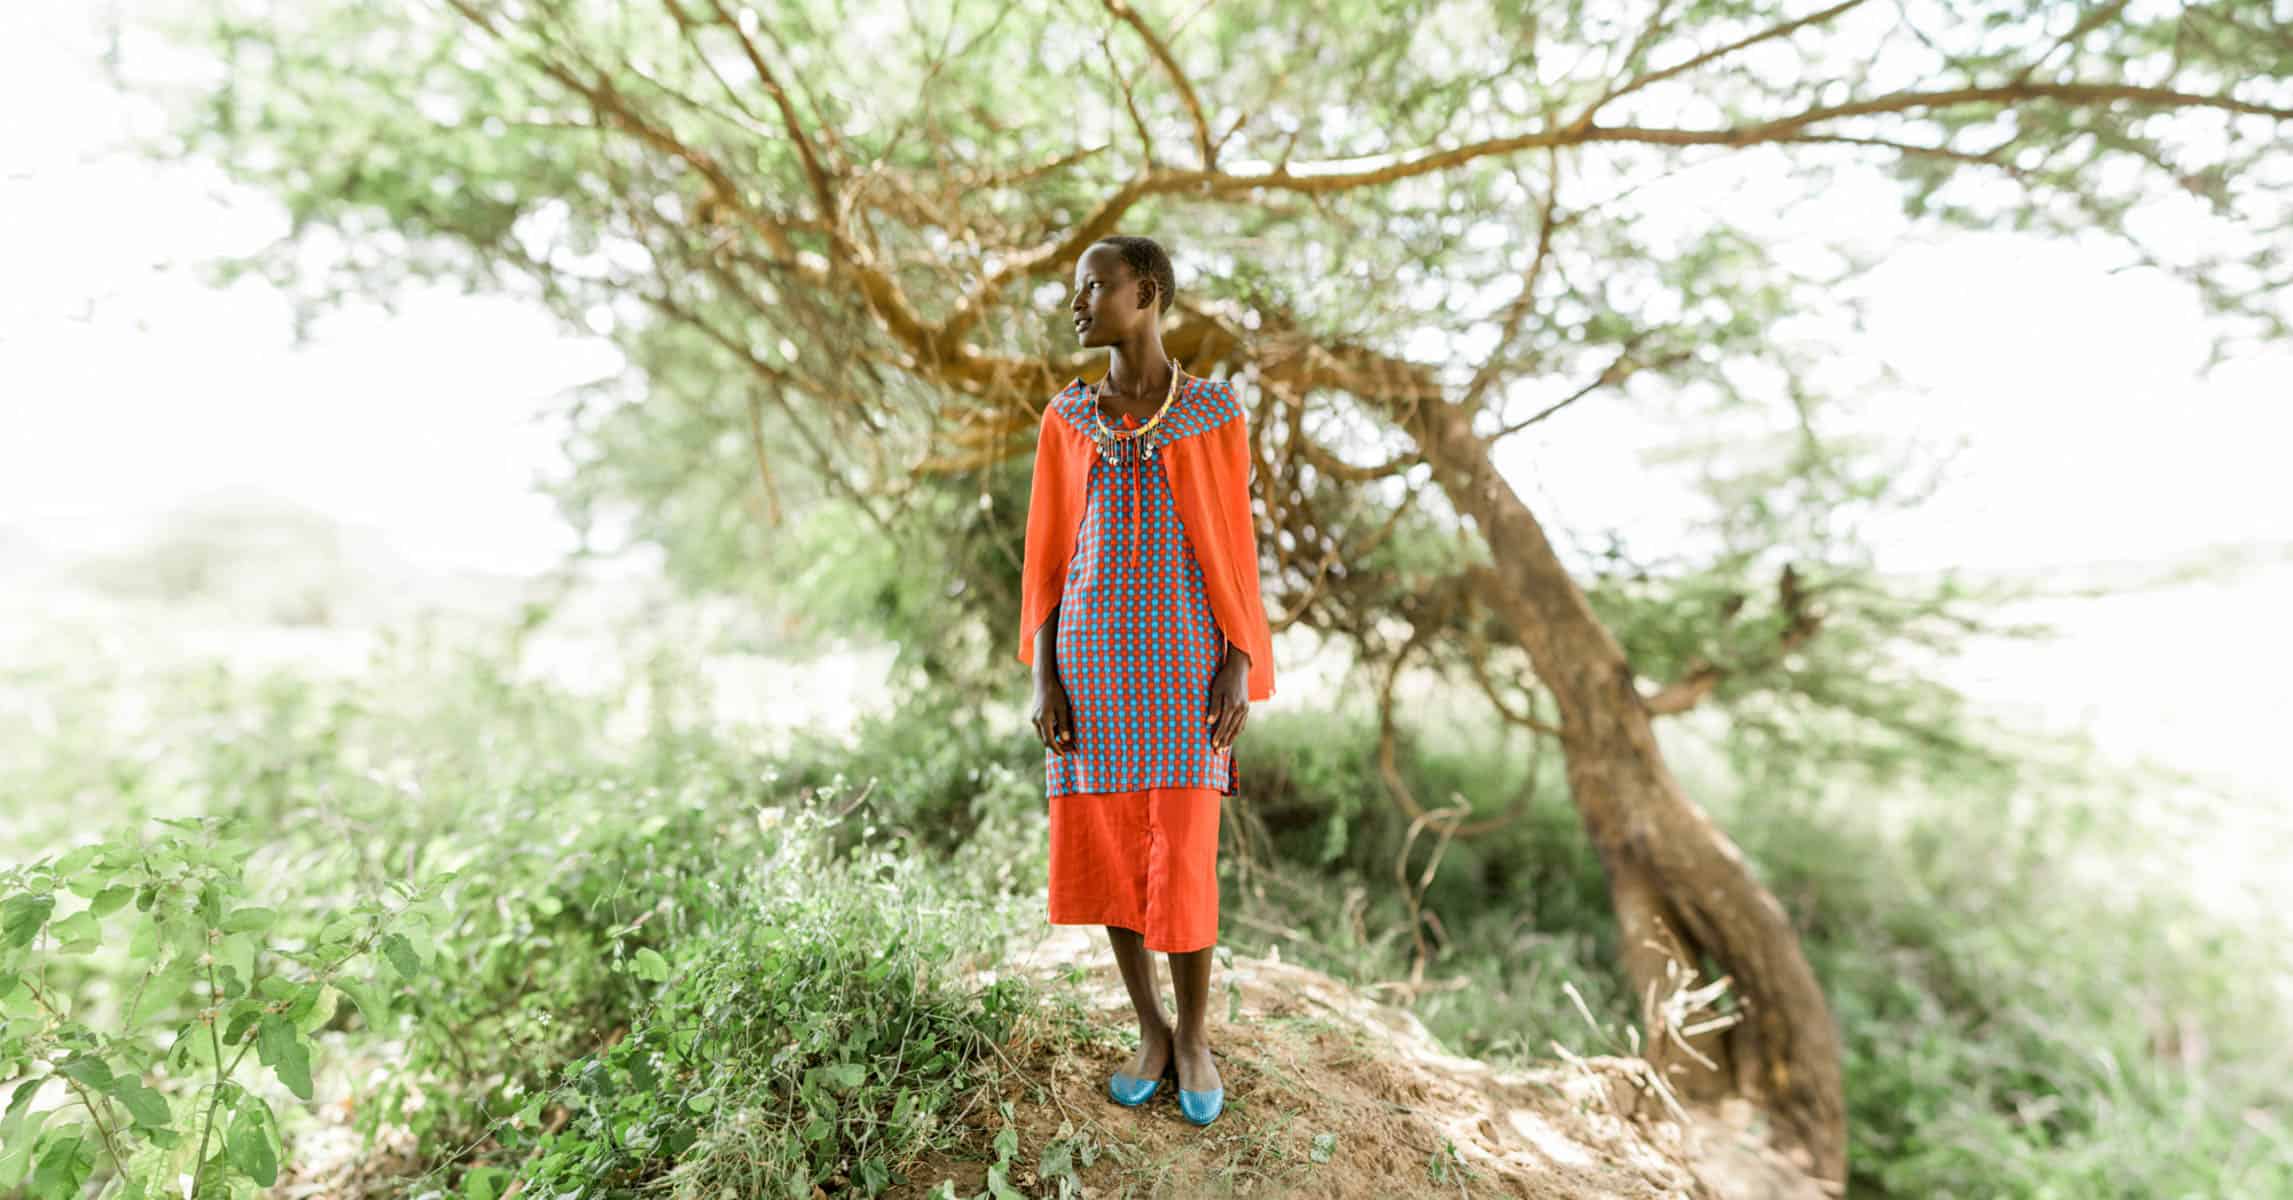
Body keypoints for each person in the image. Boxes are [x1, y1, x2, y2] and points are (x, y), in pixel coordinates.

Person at [1015, 235, 1276, 1128]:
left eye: (1093, 288)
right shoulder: (1067, 418)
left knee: (1184, 859)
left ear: (1147, 292)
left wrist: (1239, 660)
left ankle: (1197, 1036)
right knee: (1113, 858)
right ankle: (1150, 1029)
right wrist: (1044, 674)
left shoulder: (1211, 413)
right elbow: (1047, 556)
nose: (1077, 304)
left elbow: (1235, 550)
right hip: (1089, 671)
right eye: (1075, 290)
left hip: (1187, 668)